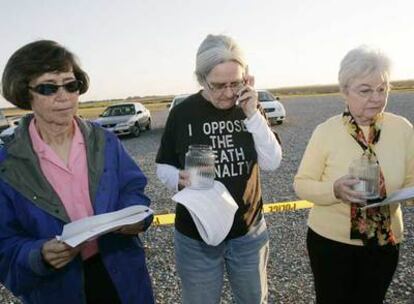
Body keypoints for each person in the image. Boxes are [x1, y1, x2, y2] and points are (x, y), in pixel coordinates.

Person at [0, 40, 154, 304]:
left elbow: (133, 189)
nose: (64, 96)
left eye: (71, 85)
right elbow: (4, 243)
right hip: (58, 289)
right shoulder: (7, 163)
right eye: (48, 87)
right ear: (26, 94)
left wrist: (137, 217)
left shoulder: (105, 141)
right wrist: (38, 255)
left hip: (122, 276)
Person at [156, 34, 282, 304]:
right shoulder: (183, 112)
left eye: (234, 83)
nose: (227, 93)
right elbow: (162, 166)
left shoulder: (249, 107)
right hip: (196, 235)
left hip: (247, 233)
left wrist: (252, 113)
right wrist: (177, 178)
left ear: (246, 78)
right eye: (218, 85)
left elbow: (272, 162)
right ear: (201, 79)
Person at [294, 46, 414, 304]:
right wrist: (334, 190)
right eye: (365, 90)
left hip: (384, 243)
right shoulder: (325, 132)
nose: (376, 98)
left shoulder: (402, 129)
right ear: (344, 91)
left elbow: (411, 180)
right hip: (331, 245)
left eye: (383, 89)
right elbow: (301, 184)